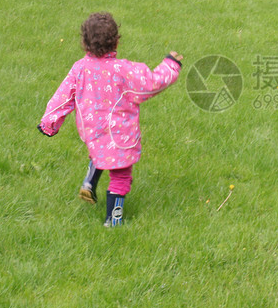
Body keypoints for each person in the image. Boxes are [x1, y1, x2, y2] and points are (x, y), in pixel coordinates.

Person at [38, 12, 182, 226]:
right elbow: (151, 83)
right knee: (121, 176)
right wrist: (170, 65)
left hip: (92, 130)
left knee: (100, 152)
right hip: (120, 135)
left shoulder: (80, 68)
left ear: (84, 42)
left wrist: (49, 123)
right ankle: (113, 221)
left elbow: (63, 97)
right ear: (116, 41)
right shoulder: (123, 70)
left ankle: (89, 182)